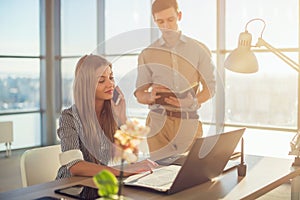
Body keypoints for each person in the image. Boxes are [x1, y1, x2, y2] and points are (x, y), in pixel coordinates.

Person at [135, 0, 216, 160]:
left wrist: (191, 101)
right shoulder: (148, 53)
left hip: (188, 124)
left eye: (170, 20)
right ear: (155, 21)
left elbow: (211, 88)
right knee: (158, 177)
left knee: (188, 177)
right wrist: (149, 96)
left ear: (179, 16)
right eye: (160, 21)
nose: (166, 25)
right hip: (157, 125)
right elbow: (139, 94)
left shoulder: (199, 49)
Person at [56, 54, 157, 179]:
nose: (111, 84)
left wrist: (122, 119)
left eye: (111, 77)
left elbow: (132, 156)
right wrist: (121, 171)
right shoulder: (69, 117)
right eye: (101, 80)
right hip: (72, 189)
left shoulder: (112, 114)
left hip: (99, 185)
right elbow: (75, 166)